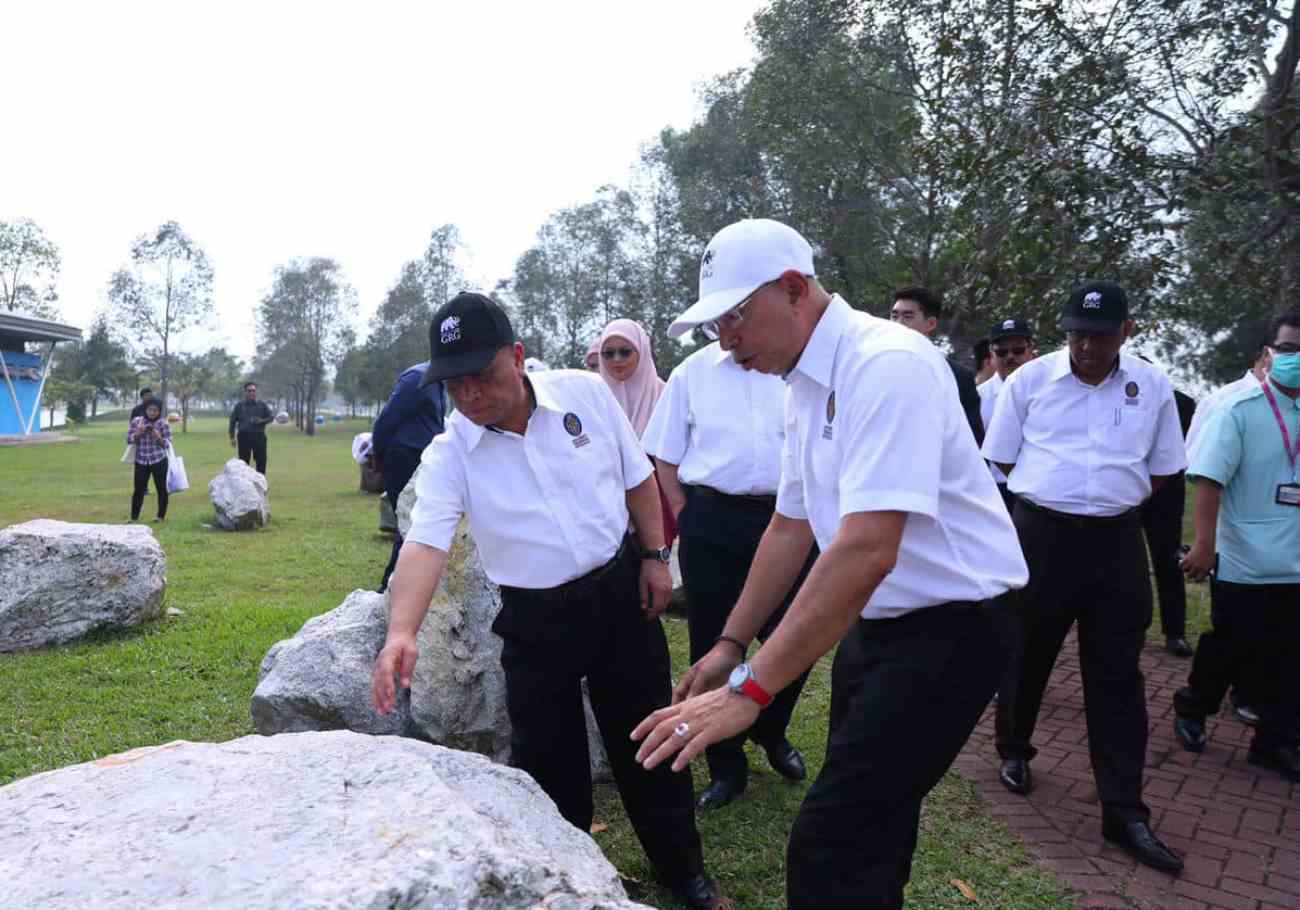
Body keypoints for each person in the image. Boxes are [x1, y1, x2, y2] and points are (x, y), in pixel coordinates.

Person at [631, 219, 1027, 910]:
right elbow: (791, 526)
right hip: (879, 628)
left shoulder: (887, 363)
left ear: (793, 289)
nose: (725, 340)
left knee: (830, 840)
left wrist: (747, 693)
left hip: (952, 631)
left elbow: (868, 547)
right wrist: (730, 641)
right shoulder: (805, 383)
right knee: (875, 826)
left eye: (735, 317)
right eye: (716, 324)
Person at [371, 293, 728, 910]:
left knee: (648, 741)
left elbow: (638, 479)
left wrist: (654, 557)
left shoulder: (585, 396)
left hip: (620, 598)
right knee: (548, 764)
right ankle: (566, 878)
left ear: (518, 356)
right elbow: (425, 541)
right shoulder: (451, 448)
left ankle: (684, 870)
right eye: (454, 384)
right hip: (536, 621)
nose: (471, 396)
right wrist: (402, 631)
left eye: (483, 376)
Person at [982, 280, 1186, 873]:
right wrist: (1060, 496)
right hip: (1042, 535)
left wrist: (1104, 502)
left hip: (1117, 541)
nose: (1086, 347)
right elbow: (1005, 457)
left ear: (1126, 332)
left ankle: (1124, 810)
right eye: (1076, 334)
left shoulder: (1152, 386)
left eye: (1098, 336)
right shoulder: (1030, 380)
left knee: (1119, 674)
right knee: (1028, 650)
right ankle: (1014, 749)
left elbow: (1161, 469)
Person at [643, 335, 816, 811]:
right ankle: (725, 765)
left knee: (797, 633)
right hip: (714, 519)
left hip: (790, 518)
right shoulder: (692, 372)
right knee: (713, 642)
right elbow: (665, 454)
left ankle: (768, 727)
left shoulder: (794, 367)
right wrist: (688, 514)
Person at [1174, 311, 1300, 782]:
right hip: (1245, 557)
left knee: (1291, 658)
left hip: (1295, 561)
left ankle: (1275, 742)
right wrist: (1205, 546)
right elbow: (1207, 481)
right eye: (1289, 349)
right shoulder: (1238, 408)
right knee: (1231, 647)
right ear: (1268, 352)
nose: (1296, 359)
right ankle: (1193, 705)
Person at [597, 318, 676, 547]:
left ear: (641, 352)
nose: (616, 360)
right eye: (608, 354)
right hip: (609, 509)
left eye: (625, 352)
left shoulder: (665, 395)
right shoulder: (594, 398)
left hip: (658, 504)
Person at [370, 361, 447, 593]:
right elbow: (386, 420)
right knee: (410, 526)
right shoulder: (417, 378)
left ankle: (396, 585)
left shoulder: (441, 382)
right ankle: (389, 588)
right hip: (404, 459)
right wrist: (378, 455)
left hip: (424, 460)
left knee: (416, 525)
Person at [1139, 382, 1197, 657]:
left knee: (1168, 561)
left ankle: (1175, 633)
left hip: (1166, 494)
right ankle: (1133, 624)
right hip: (1129, 488)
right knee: (1128, 562)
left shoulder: (1183, 404)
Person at [889, 287, 985, 445]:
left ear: (931, 323)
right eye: (894, 316)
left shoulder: (958, 377)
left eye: (908, 316)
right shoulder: (875, 369)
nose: (898, 324)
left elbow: (973, 440)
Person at [977, 318, 1035, 512]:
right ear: (991, 355)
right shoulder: (978, 397)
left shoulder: (1049, 394)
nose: (1010, 357)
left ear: (1031, 350)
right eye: (1002, 352)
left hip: (1040, 489)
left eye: (1018, 350)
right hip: (993, 490)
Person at [127, 400, 171, 523]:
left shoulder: (163, 423)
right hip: (141, 460)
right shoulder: (137, 421)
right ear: (145, 410)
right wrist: (139, 433)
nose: (152, 413)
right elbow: (129, 439)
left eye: (155, 410)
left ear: (159, 411)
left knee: (161, 488)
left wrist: (158, 437)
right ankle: (134, 518)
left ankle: (160, 517)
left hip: (159, 460)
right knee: (138, 490)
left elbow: (167, 444)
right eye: (149, 410)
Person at [228, 382, 274, 474]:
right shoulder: (239, 406)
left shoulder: (261, 405)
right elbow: (232, 421)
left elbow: (271, 417)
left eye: (253, 390)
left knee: (261, 461)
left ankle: (261, 485)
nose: (252, 393)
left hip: (259, 436)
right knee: (243, 463)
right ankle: (245, 485)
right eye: (249, 391)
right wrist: (232, 437)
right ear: (245, 392)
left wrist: (261, 421)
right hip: (244, 437)